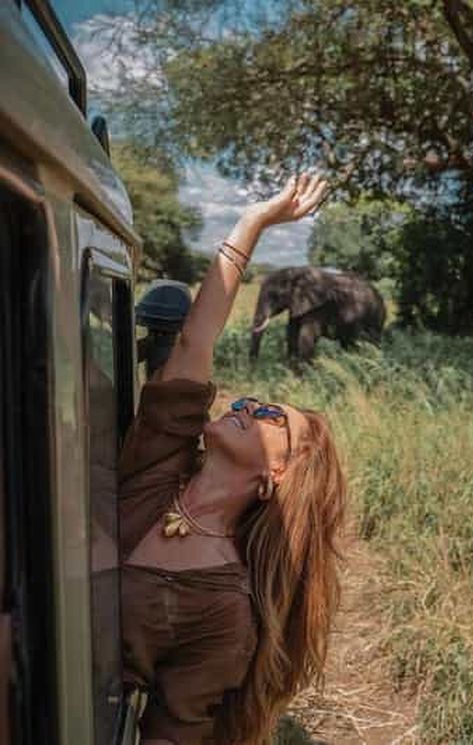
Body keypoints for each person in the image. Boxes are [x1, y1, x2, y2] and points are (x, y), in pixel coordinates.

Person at [119, 173, 346, 745]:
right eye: (249, 400)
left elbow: (172, 733)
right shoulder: (163, 459)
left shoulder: (224, 608)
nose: (247, 405)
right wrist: (254, 222)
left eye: (271, 418)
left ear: (277, 477)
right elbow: (197, 340)